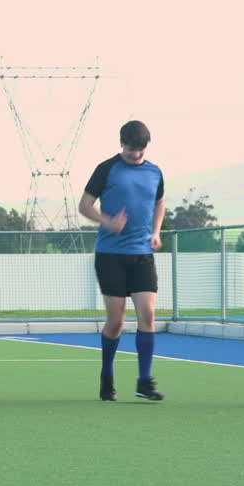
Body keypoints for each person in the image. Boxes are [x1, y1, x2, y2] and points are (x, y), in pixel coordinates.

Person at [79, 120, 165, 402]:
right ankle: (107, 375)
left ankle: (144, 381)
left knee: (147, 315)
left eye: (140, 150)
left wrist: (156, 231)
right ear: (121, 144)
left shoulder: (155, 172)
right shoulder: (107, 169)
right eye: (130, 149)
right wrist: (107, 221)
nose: (135, 155)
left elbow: (159, 202)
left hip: (142, 254)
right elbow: (85, 205)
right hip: (111, 256)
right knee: (116, 321)